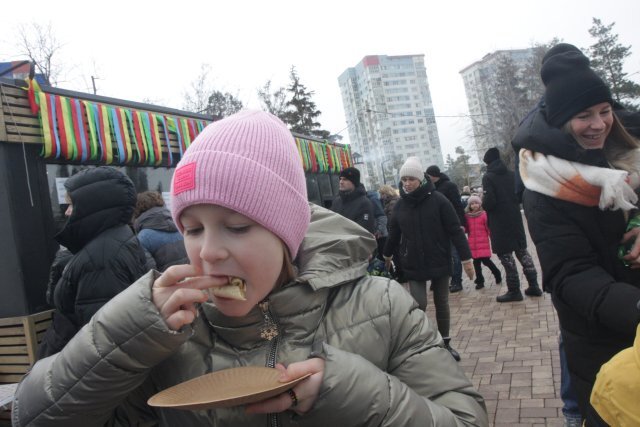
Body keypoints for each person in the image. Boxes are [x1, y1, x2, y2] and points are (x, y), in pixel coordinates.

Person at [14, 110, 489, 427]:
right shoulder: (167, 333)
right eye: (194, 229)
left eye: (237, 226)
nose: (208, 252)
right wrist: (126, 335)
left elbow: (465, 418)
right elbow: (33, 417)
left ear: (286, 232)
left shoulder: (381, 306)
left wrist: (347, 389)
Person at [512, 46, 640, 425]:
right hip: (602, 342)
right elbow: (570, 275)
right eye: (583, 115)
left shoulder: (627, 157)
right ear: (562, 120)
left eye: (604, 111)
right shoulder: (545, 187)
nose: (598, 124)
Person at [36, 166, 151, 359]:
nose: (67, 212)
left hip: (74, 367)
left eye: (72, 204)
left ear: (92, 207)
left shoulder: (102, 256)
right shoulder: (111, 242)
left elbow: (102, 340)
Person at [383, 156, 476, 362]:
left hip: (439, 258)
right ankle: (421, 343)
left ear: (420, 179)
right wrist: (387, 255)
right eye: (404, 179)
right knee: (418, 304)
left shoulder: (438, 200)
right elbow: (394, 234)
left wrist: (466, 259)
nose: (407, 183)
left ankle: (445, 342)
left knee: (441, 302)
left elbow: (455, 231)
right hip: (413, 261)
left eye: (411, 179)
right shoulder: (400, 206)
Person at [481, 147, 542, 302]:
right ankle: (534, 285)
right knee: (522, 252)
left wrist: (483, 201)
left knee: (506, 256)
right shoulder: (513, 174)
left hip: (499, 223)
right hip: (515, 219)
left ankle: (514, 290)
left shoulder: (488, 177)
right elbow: (519, 194)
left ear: (487, 162)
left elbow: (490, 202)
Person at [426, 165, 466, 293]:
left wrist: (461, 223)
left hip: (451, 224)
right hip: (436, 227)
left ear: (433, 175)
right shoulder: (430, 188)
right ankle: (437, 280)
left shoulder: (449, 186)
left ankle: (456, 281)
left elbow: (458, 205)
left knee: (454, 254)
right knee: (438, 254)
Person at [133, 191, 188, 271]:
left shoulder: (143, 238)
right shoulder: (181, 225)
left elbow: (151, 274)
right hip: (191, 279)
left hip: (167, 282)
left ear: (138, 209)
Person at [464, 195, 502, 290]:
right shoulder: (467, 216)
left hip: (483, 243)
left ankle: (497, 273)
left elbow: (488, 228)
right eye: (472, 204)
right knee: (476, 264)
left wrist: (493, 238)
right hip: (473, 244)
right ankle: (480, 280)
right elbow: (466, 229)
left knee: (486, 261)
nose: (474, 205)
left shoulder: (484, 215)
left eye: (476, 203)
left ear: (480, 204)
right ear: (469, 206)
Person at [330, 166, 375, 234]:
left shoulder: (364, 203)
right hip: (337, 242)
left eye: (345, 179)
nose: (341, 182)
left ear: (354, 182)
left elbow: (365, 230)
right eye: (340, 179)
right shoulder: (337, 201)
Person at [366, 190, 388, 260]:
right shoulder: (370, 199)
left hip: (380, 235)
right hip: (376, 234)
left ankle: (387, 271)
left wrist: (379, 231)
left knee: (382, 258)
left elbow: (382, 217)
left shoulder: (372, 199)